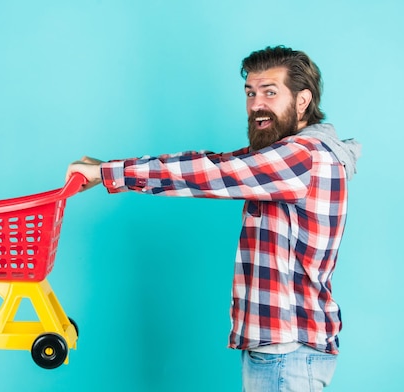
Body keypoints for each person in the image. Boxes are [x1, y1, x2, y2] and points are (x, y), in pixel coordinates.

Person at [66, 45, 361, 391]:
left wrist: (107, 173)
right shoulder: (286, 157)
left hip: (287, 351)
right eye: (250, 93)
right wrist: (108, 169)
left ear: (302, 101)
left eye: (270, 92)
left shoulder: (303, 157)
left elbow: (211, 173)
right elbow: (211, 161)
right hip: (283, 349)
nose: (256, 105)